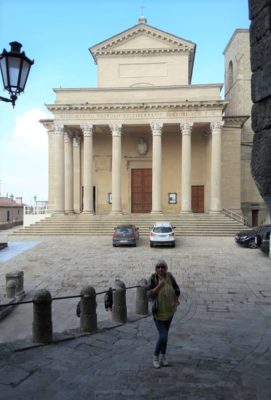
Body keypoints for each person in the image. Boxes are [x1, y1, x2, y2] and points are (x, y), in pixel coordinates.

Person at [147, 259, 180, 368]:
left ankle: (163, 356)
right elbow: (149, 294)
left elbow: (177, 289)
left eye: (162, 267)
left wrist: (176, 298)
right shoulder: (153, 278)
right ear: (155, 269)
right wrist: (159, 286)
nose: (160, 269)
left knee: (165, 336)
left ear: (166, 268)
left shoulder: (169, 276)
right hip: (159, 311)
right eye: (158, 267)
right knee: (163, 335)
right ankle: (155, 357)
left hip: (170, 310)